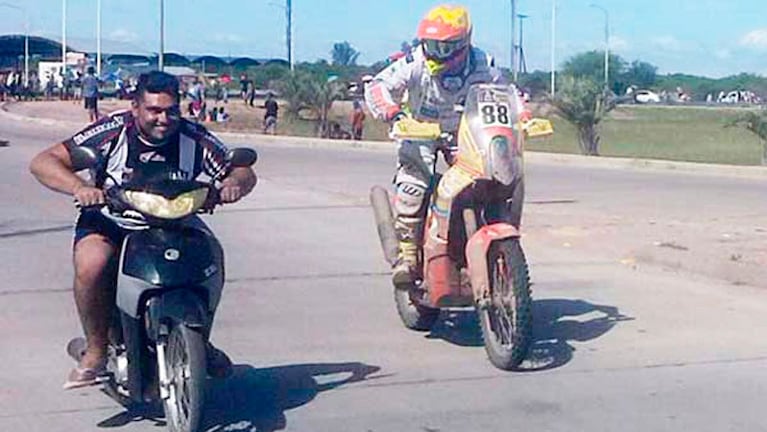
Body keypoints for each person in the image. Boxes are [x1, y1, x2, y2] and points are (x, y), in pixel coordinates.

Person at [29, 71, 257, 390]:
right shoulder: (111, 131)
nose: (163, 119)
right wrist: (80, 187)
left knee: (212, 255)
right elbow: (44, 161)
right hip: (111, 220)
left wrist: (234, 183)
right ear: (136, 107)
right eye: (154, 110)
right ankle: (95, 350)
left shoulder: (194, 137)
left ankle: (200, 340)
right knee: (92, 263)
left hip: (174, 220)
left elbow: (241, 168)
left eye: (170, 110)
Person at [364, 4, 524, 284]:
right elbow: (378, 86)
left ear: (464, 43)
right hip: (418, 130)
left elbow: (505, 91)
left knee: (492, 179)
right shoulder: (414, 62)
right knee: (414, 184)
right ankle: (407, 254)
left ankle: (496, 235)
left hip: (464, 132)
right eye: (431, 45)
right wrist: (391, 111)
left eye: (446, 47)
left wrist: (521, 113)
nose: (437, 53)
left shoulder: (483, 63)